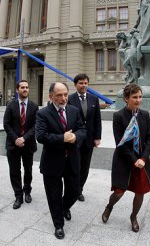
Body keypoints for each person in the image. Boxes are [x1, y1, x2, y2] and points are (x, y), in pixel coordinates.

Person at [36, 82, 86, 239]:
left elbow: (82, 130)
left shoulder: (74, 110)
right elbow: (41, 136)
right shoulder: (42, 114)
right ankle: (58, 224)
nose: (63, 98)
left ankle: (63, 208)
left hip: (72, 160)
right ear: (51, 97)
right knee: (54, 195)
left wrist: (75, 136)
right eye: (59, 95)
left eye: (65, 94)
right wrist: (62, 138)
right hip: (52, 163)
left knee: (75, 191)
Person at [101, 84, 150, 233]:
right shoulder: (118, 116)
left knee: (140, 192)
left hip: (142, 161)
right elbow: (120, 142)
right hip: (124, 160)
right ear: (126, 99)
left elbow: (149, 138)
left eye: (140, 97)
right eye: (134, 97)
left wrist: (143, 158)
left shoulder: (145, 115)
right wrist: (133, 159)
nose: (138, 100)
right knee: (119, 191)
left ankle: (133, 217)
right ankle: (109, 207)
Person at [3, 80, 38, 210]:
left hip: (28, 144)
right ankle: (18, 195)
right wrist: (16, 139)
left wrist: (24, 138)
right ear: (17, 90)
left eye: (27, 87)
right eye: (22, 87)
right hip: (13, 145)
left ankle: (27, 191)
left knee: (28, 170)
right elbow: (6, 124)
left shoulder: (34, 106)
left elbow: (36, 126)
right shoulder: (10, 105)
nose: (25, 89)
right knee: (14, 171)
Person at [68, 74, 102, 202]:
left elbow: (97, 119)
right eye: (81, 83)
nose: (83, 85)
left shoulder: (94, 99)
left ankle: (79, 190)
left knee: (85, 167)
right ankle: (74, 189)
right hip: (75, 139)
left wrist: (97, 137)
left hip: (89, 139)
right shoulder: (70, 99)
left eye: (85, 83)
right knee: (75, 166)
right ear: (76, 85)